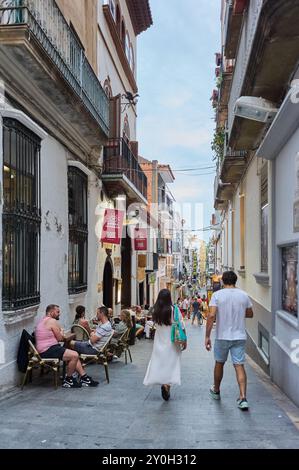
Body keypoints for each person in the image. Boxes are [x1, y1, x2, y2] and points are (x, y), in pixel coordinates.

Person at [205, 271, 254, 411]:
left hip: (222, 336)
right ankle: (243, 397)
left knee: (219, 363)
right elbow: (250, 313)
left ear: (223, 281)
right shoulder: (243, 295)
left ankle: (216, 390)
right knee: (239, 365)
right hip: (239, 336)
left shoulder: (217, 295)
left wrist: (207, 336)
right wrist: (238, 311)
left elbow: (211, 316)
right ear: (235, 281)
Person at [35, 304, 98, 388]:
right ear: (51, 312)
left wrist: (61, 333)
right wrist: (61, 332)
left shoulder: (43, 320)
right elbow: (60, 338)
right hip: (48, 350)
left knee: (72, 353)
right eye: (57, 312)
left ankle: (84, 377)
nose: (59, 314)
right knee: (74, 355)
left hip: (46, 349)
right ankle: (68, 380)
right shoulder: (52, 321)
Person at [143, 289, 187, 401]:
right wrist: (185, 340)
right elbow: (181, 325)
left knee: (160, 362)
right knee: (171, 363)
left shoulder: (155, 310)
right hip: (173, 341)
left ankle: (162, 381)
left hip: (159, 340)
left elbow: (153, 324)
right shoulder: (174, 310)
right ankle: (167, 384)